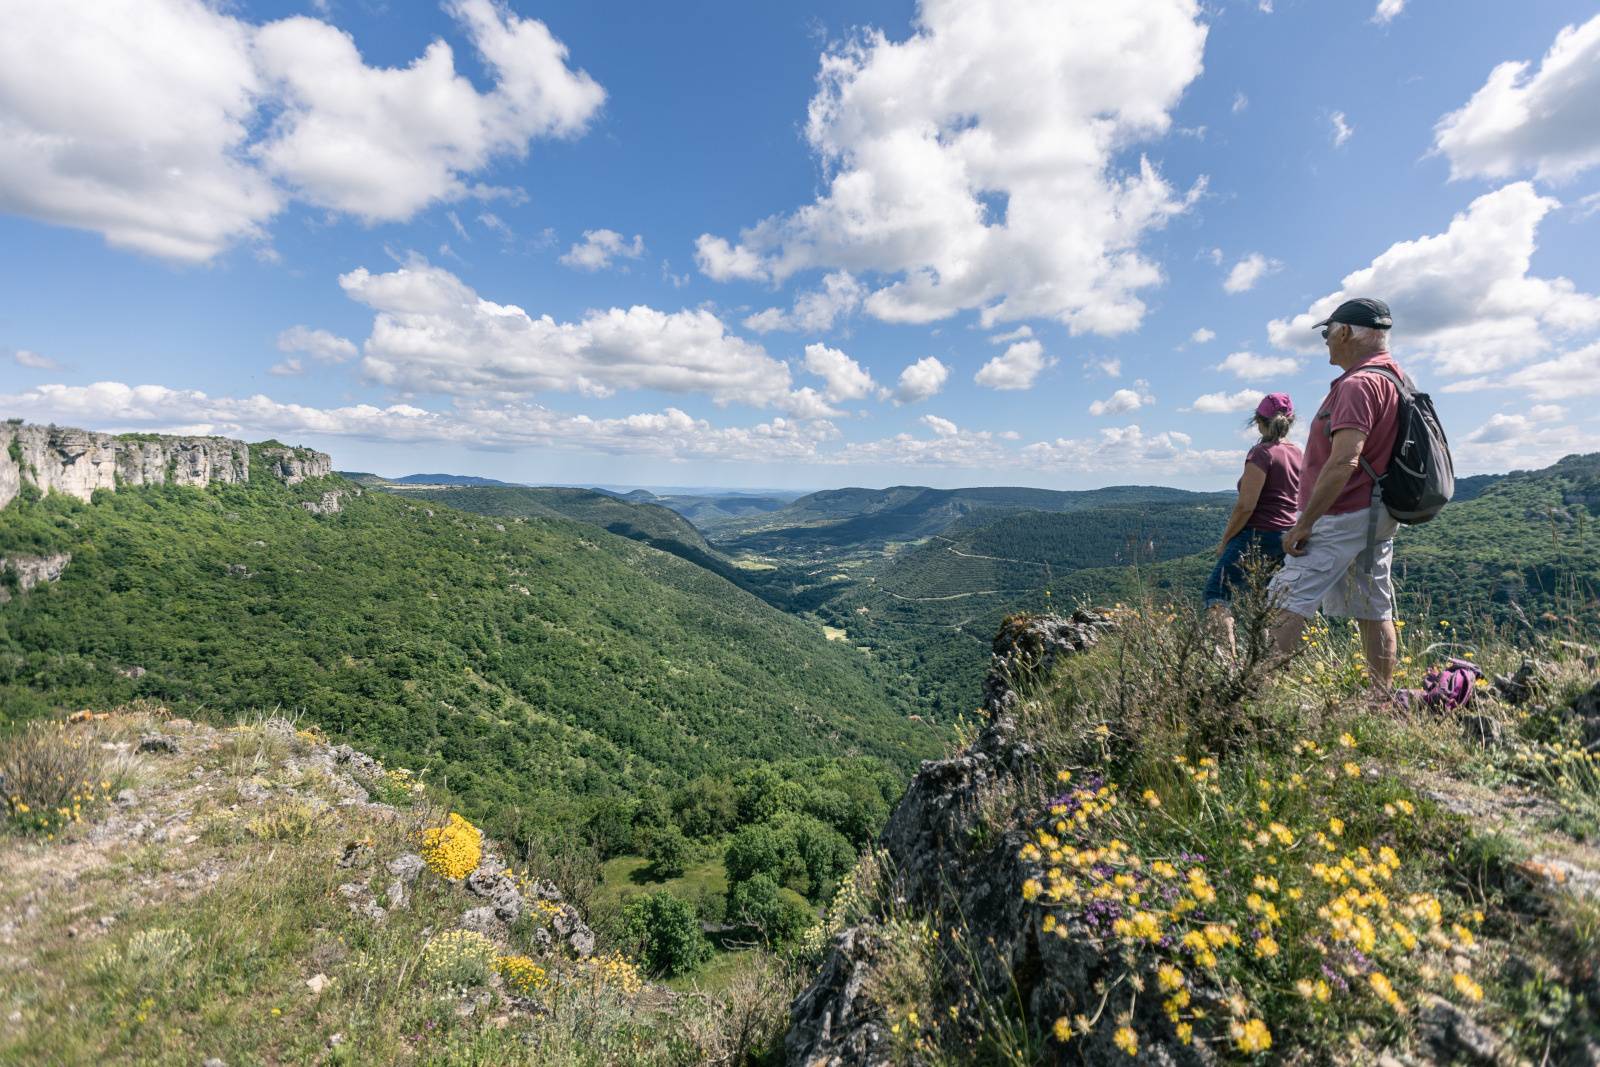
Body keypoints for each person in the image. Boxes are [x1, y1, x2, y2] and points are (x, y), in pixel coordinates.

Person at [1268, 297, 1403, 688]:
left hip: (1340, 513)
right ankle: (1381, 697)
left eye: (1328, 333)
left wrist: (1304, 523)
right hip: (1376, 514)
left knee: (1287, 599)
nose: (1326, 341)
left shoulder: (1359, 384)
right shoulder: (1394, 378)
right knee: (1373, 606)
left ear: (1345, 332)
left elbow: (1344, 460)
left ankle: (1254, 694)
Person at [1204, 393, 1302, 655]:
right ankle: (1267, 665)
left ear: (1259, 421)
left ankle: (1227, 664)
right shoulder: (1297, 453)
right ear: (1290, 421)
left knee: (1217, 593)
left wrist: (1226, 540)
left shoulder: (1261, 453)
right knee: (1266, 602)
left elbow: (1246, 505)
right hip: (1286, 537)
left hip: (1257, 535)